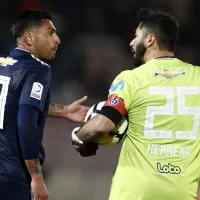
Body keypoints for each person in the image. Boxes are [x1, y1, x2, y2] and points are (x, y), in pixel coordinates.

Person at [72, 8, 200, 200]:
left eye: (136, 36)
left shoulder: (131, 79)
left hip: (135, 192)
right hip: (182, 191)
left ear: (150, 40)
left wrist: (79, 137)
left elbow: (103, 124)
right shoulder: (197, 76)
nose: (131, 42)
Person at [0, 10, 88, 200]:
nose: (57, 39)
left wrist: (64, 111)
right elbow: (26, 123)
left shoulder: (3, 64)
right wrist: (36, 177)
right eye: (50, 33)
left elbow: (13, 105)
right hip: (10, 176)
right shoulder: (37, 69)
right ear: (29, 38)